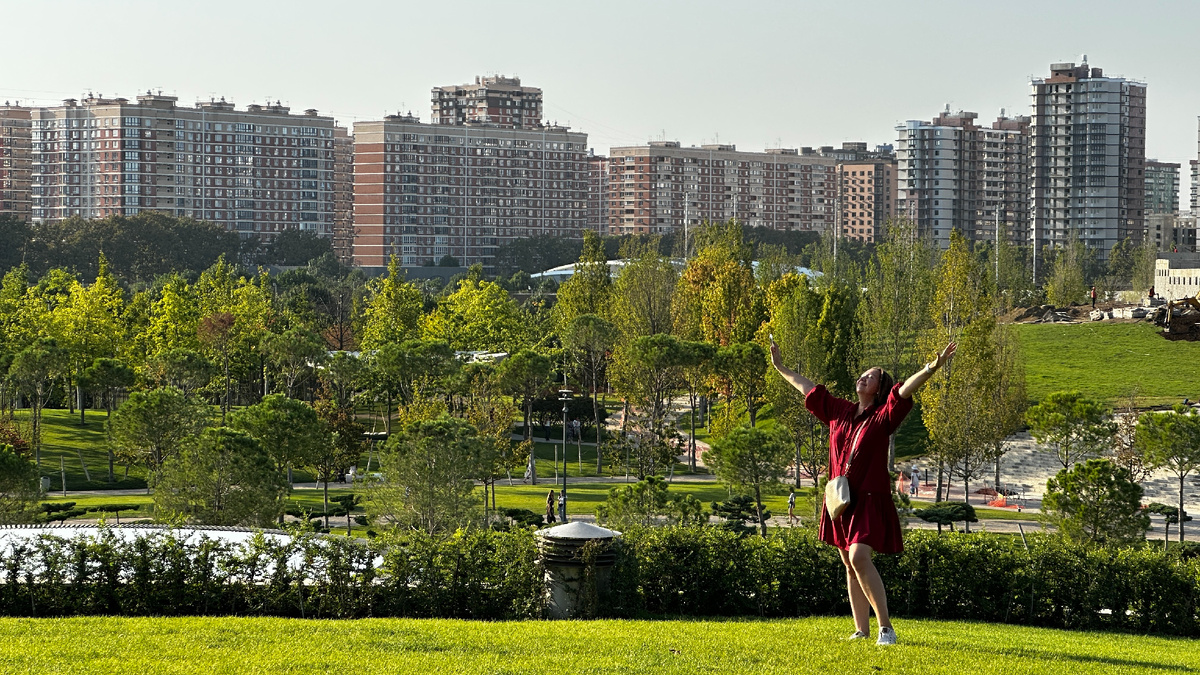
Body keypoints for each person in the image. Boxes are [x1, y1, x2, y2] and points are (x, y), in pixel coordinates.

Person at [770, 337, 956, 646]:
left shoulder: (883, 416)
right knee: (847, 561)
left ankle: (886, 628)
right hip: (840, 499)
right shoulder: (840, 410)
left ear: (878, 389)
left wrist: (931, 368)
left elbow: (906, 390)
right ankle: (861, 629)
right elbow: (807, 388)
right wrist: (780, 367)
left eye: (870, 376)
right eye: (863, 374)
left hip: (868, 499)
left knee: (858, 556)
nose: (863, 377)